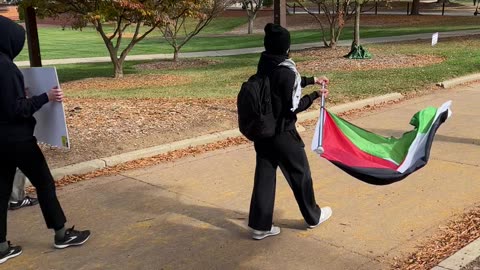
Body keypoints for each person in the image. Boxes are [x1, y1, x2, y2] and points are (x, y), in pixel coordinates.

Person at [0, 15, 91, 264]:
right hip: (18, 139)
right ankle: (62, 234)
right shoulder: (5, 67)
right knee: (44, 184)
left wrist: (22, 96)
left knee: (1, 191)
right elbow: (17, 110)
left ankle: (1, 248)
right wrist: (45, 97)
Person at [248, 23, 333, 240]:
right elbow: (295, 105)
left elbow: (282, 85)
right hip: (284, 134)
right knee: (301, 174)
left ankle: (260, 226)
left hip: (263, 134)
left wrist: (311, 80)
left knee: (265, 177)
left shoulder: (265, 63)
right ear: (286, 48)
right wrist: (315, 95)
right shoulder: (286, 70)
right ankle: (313, 217)